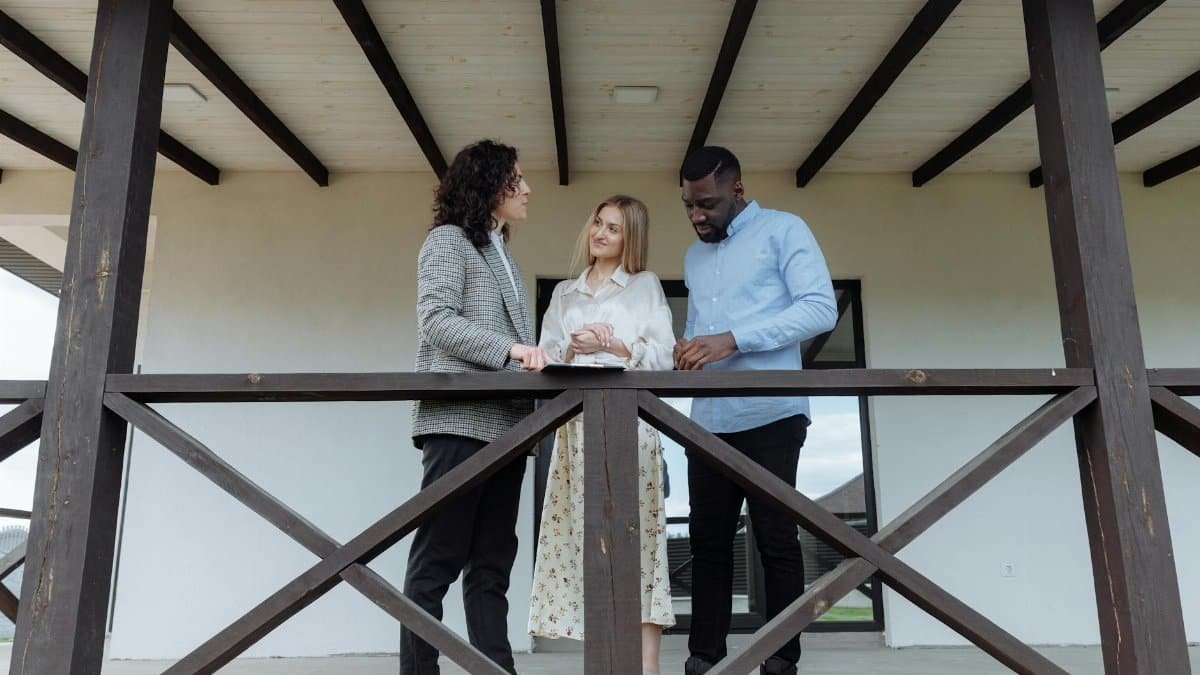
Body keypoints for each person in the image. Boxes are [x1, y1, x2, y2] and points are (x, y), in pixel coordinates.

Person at [674, 146, 837, 675]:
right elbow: (700, 329)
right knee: (708, 542)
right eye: (689, 206)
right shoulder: (693, 257)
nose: (698, 216)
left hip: (773, 412)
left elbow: (819, 308)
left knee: (776, 539)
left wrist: (734, 340)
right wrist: (686, 347)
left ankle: (780, 660)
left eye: (709, 204)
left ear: (737, 191)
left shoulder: (786, 230)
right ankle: (704, 659)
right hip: (710, 420)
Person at [402, 139, 551, 675]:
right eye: (517, 179)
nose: (528, 189)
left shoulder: (504, 253)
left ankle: (496, 669)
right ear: (489, 186)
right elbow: (437, 321)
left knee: (492, 566)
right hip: (458, 425)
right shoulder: (445, 242)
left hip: (510, 430)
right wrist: (513, 349)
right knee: (436, 560)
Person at [528, 195, 676, 675]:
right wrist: (571, 349)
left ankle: (646, 668)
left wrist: (613, 343)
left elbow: (664, 358)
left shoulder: (644, 285)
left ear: (629, 237)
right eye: (597, 222)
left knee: (640, 545)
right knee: (584, 545)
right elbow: (545, 360)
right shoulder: (565, 294)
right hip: (577, 431)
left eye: (613, 227)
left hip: (631, 425)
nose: (601, 233)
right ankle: (601, 664)